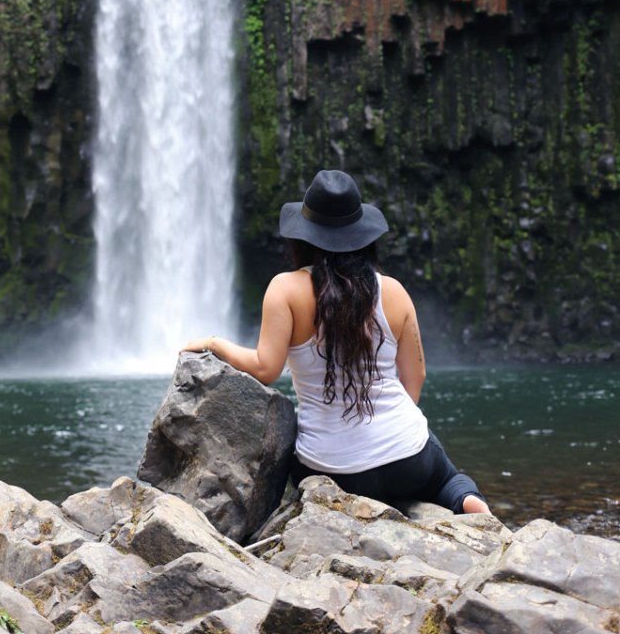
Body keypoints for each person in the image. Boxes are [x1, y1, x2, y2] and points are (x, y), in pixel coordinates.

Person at [182, 169, 490, 515]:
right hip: (405, 458)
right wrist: (388, 436)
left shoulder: (284, 289)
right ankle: (466, 501)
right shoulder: (394, 292)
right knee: (446, 477)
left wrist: (214, 342)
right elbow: (415, 380)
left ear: (303, 235)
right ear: (362, 235)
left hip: (329, 468)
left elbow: (264, 368)